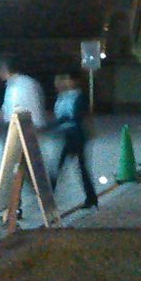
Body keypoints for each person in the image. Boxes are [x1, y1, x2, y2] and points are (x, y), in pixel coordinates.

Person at [47, 71, 98, 209]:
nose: (64, 83)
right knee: (62, 165)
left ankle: (91, 197)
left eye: (68, 80)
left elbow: (75, 116)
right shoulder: (62, 97)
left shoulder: (80, 96)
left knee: (75, 167)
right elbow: (60, 116)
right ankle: (91, 197)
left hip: (77, 135)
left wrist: (55, 124)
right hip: (67, 135)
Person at [0, 54, 48, 129]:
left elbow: (9, 117)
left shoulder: (14, 87)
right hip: (39, 130)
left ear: (3, 69)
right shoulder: (31, 82)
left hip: (28, 133)